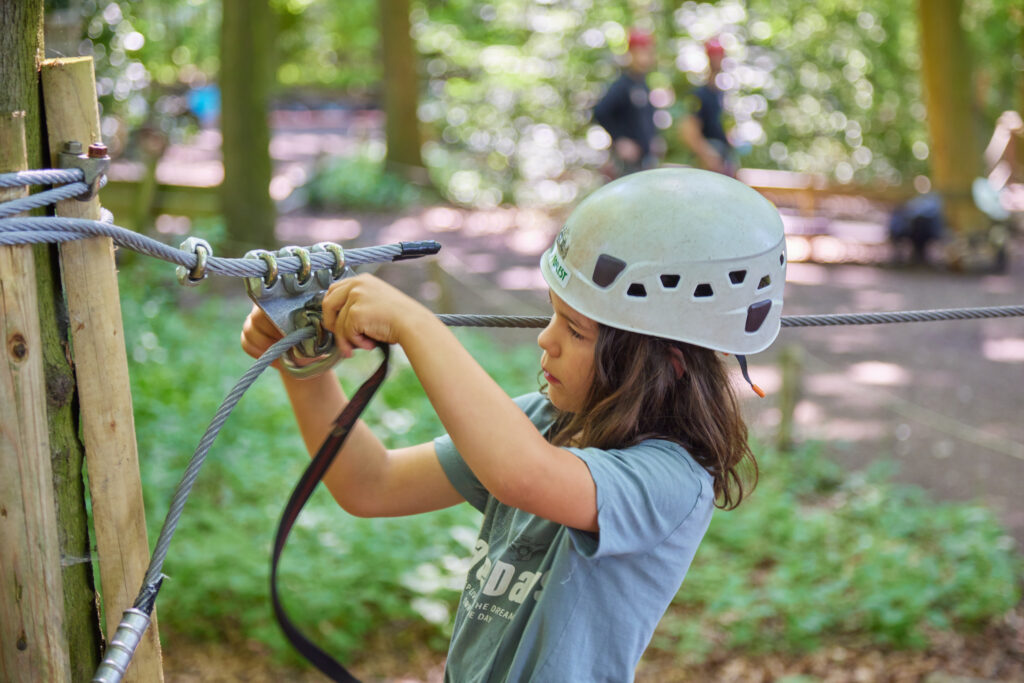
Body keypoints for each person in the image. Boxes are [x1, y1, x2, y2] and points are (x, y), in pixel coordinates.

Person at [240, 168, 787, 681]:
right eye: (553, 314)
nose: (545, 339)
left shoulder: (670, 482)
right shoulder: (547, 422)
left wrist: (414, 324)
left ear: (663, 365)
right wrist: (304, 368)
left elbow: (521, 474)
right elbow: (370, 484)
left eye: (574, 330)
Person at [593, 29, 661, 176]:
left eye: (647, 52)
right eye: (639, 52)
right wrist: (620, 139)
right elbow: (600, 111)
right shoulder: (622, 85)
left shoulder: (643, 84)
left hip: (645, 160)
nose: (644, 57)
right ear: (630, 53)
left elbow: (647, 118)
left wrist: (654, 140)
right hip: (628, 164)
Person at [679, 38, 737, 177]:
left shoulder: (722, 95)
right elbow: (688, 131)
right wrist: (707, 155)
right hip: (706, 165)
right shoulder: (699, 95)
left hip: (723, 160)